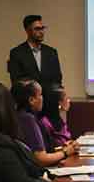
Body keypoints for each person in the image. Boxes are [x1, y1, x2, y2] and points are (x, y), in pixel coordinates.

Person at [7, 14, 69, 142]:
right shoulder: (17, 53)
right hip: (29, 108)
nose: (41, 32)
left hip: (50, 107)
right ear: (27, 30)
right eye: (37, 29)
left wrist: (61, 96)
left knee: (55, 142)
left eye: (42, 28)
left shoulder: (51, 52)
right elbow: (17, 83)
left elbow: (57, 79)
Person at [11, 80, 78, 166]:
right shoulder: (28, 119)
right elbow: (41, 159)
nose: (43, 98)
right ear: (31, 100)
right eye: (40, 95)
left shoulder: (18, 115)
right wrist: (66, 152)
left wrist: (63, 148)